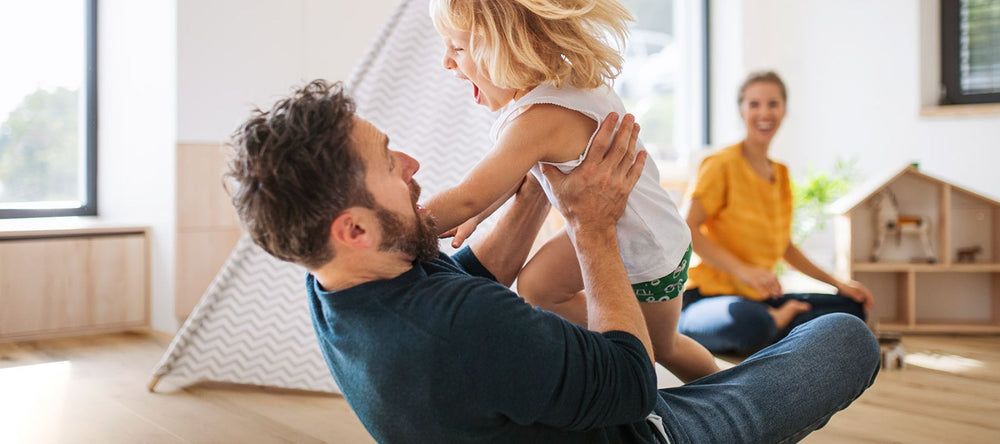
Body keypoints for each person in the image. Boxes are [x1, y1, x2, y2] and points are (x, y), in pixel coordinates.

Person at [225, 79, 880, 443]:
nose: (412, 165)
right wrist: (591, 228)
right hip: (648, 429)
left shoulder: (333, 282)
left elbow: (467, 275)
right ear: (355, 228)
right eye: (389, 163)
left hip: (557, 404)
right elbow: (632, 381)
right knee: (845, 337)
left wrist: (542, 179)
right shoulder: (458, 332)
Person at [423, 0, 718, 382]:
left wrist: (403, 226)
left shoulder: (540, 119)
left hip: (647, 249)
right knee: (536, 288)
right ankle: (607, 346)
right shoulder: (557, 87)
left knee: (665, 348)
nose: (447, 62)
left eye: (457, 48)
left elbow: (469, 194)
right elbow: (500, 179)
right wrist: (476, 214)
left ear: (510, 45)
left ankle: (727, 393)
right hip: (620, 230)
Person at [678, 70, 876, 355]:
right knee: (749, 323)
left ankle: (779, 321)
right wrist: (744, 271)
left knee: (851, 309)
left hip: (759, 299)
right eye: (754, 104)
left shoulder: (781, 175)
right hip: (706, 300)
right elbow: (686, 228)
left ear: (784, 110)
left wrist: (839, 283)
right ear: (742, 110)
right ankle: (778, 323)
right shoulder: (721, 165)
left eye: (773, 104)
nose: (764, 113)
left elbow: (786, 248)